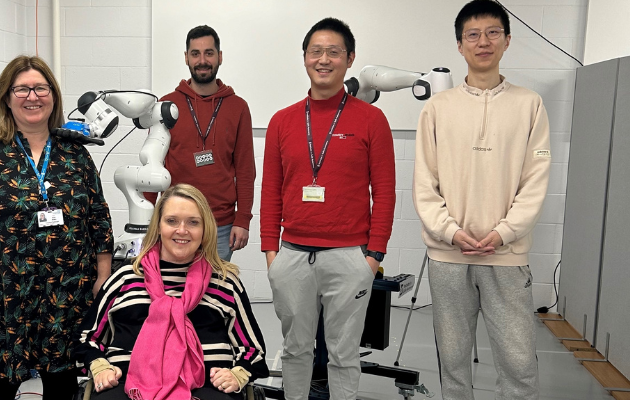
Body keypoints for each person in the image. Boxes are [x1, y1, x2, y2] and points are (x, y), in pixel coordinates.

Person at [0, 55, 114, 400]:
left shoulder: (75, 154)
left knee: (62, 382)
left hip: (67, 290)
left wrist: (103, 277)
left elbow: (98, 217)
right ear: (6, 98)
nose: (32, 97)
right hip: (4, 292)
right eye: (21, 89)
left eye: (41, 88)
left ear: (53, 95)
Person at [412, 1, 551, 399]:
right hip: (448, 255)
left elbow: (536, 179)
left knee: (519, 361)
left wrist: (505, 232)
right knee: (453, 361)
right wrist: (450, 232)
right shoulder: (437, 108)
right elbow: (425, 182)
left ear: (507, 40)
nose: (483, 42)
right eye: (472, 35)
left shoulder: (529, 104)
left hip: (506, 255)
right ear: (460, 45)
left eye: (493, 33)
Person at [260, 17, 396, 400]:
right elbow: (270, 191)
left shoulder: (371, 120)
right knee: (295, 350)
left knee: (344, 354)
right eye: (316, 51)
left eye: (333, 52)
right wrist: (271, 253)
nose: (323, 60)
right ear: (304, 57)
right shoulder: (282, 121)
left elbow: (385, 192)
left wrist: (373, 257)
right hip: (291, 257)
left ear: (349, 59)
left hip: (349, 257)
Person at [76, 184, 268, 400]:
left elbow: (253, 349)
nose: (182, 230)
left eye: (193, 222)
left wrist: (237, 374)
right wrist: (100, 366)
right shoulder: (125, 278)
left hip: (207, 386)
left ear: (205, 229)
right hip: (128, 384)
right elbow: (87, 338)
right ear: (158, 226)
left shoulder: (225, 283)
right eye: (172, 221)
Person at [144, 25, 255, 262]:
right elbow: (153, 164)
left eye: (209, 53)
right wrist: (146, 219)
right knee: (175, 284)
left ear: (220, 57)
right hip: (176, 224)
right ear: (186, 58)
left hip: (220, 226)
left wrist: (243, 219)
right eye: (195, 54)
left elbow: (246, 169)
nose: (202, 61)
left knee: (214, 285)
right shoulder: (166, 106)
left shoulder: (238, 107)